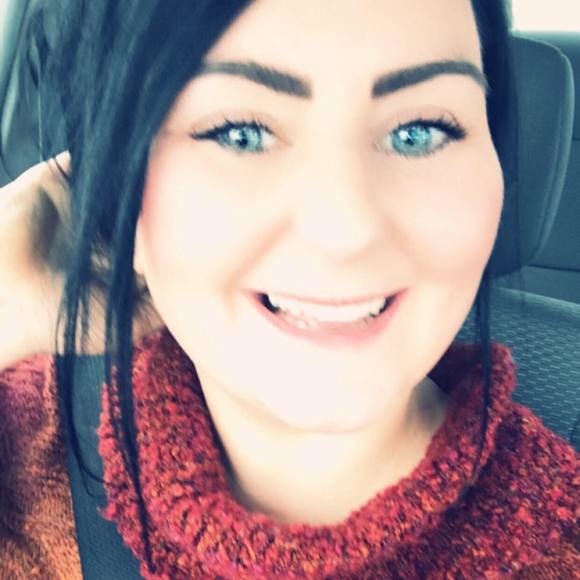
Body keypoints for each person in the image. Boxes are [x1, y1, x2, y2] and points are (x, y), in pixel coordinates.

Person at [0, 0, 577, 578]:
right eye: (241, 134)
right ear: (110, 193)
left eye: (418, 132)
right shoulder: (21, 449)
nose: (345, 230)